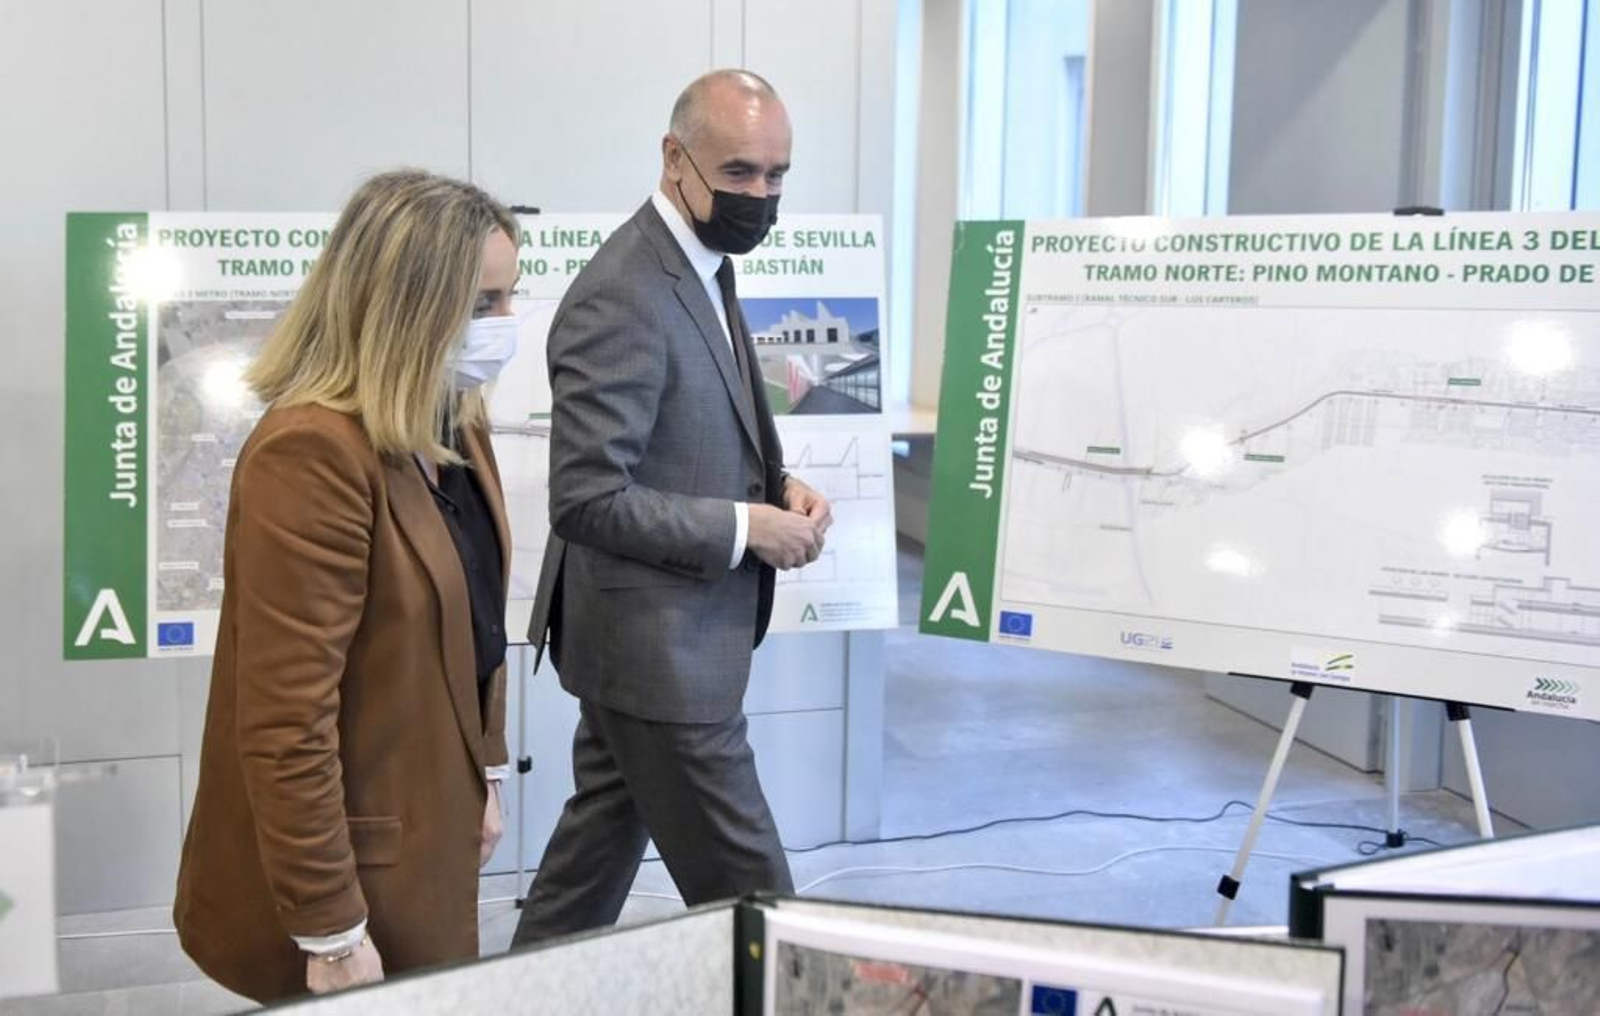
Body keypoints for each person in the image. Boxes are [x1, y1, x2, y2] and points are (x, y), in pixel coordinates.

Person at [173, 170, 521, 1001]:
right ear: (406, 308)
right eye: (483, 305)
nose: (507, 327)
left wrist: (488, 769)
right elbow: (286, 720)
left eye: (512, 297)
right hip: (352, 868)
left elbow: (473, 611)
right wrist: (329, 930)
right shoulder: (313, 453)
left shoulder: (452, 418)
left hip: (431, 814)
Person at [513, 69, 831, 946]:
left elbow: (692, 429)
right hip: (660, 657)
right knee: (759, 908)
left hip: (656, 646)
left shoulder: (701, 264)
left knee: (589, 868)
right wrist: (745, 528)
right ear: (674, 157)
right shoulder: (625, 290)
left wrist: (776, 488)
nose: (761, 197)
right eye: (740, 175)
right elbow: (587, 497)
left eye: (777, 176)